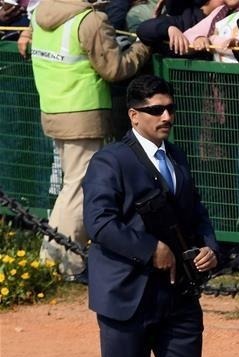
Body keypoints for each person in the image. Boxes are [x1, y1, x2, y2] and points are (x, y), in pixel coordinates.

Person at [75, 75, 226, 357]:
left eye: (170, 108)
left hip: (178, 296)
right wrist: (150, 250)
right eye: (157, 110)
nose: (167, 117)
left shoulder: (175, 157)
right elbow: (99, 223)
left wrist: (211, 248)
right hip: (127, 295)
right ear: (134, 114)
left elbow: (196, 212)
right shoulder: (111, 162)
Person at [30, 0, 151, 280]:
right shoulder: (91, 20)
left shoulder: (40, 14)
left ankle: (51, 260)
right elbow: (114, 69)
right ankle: (66, 262)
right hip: (83, 111)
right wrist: (143, 47)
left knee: (70, 186)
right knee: (80, 188)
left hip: (53, 107)